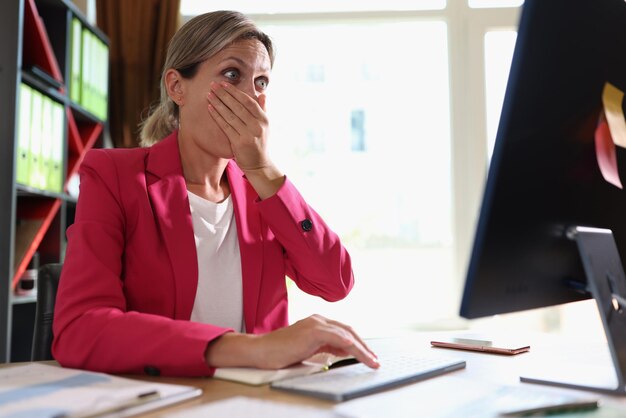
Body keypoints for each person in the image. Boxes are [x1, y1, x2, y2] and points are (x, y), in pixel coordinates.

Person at [52, 10, 379, 377]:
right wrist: (252, 349)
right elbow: (79, 329)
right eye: (231, 75)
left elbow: (335, 282)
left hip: (256, 401)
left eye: (261, 82)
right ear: (177, 87)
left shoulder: (264, 192)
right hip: (166, 397)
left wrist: (263, 170)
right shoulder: (115, 176)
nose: (250, 98)